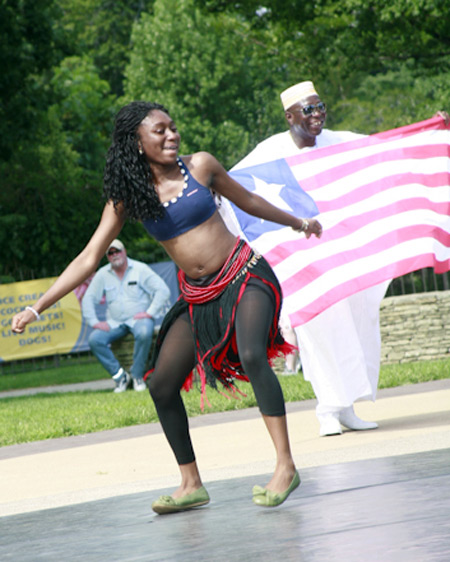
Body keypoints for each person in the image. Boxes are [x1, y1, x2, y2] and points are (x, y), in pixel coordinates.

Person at [11, 101, 322, 514]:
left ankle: (285, 465)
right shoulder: (130, 196)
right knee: (160, 383)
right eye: (159, 131)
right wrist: (37, 308)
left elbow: (248, 201)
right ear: (137, 143)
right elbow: (89, 258)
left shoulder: (201, 167)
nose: (171, 135)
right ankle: (191, 482)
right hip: (199, 296)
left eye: (173, 128)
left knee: (251, 353)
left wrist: (300, 223)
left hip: (245, 274)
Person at [230, 80, 391, 437]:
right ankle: (327, 409)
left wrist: (429, 126)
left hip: (346, 256)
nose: (317, 115)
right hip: (308, 264)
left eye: (321, 108)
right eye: (309, 110)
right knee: (320, 331)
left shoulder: (338, 140)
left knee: (358, 325)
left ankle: (347, 407)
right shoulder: (269, 152)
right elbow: (236, 187)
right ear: (289, 116)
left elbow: (383, 149)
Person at [81, 238, 171, 393]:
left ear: (125, 252)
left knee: (144, 333)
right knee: (95, 339)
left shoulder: (140, 268)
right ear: (107, 257)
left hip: (138, 320)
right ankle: (120, 377)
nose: (114, 255)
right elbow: (88, 298)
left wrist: (149, 313)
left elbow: (162, 290)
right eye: (110, 253)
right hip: (115, 322)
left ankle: (137, 376)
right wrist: (94, 321)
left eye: (117, 251)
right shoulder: (103, 273)